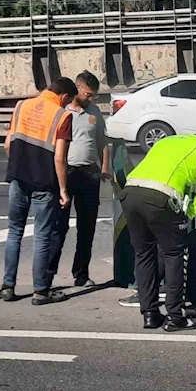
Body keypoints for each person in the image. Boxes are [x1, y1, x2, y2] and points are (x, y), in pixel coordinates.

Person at [119, 129, 196, 332]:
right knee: (174, 254)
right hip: (161, 197)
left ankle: (149, 314)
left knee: (144, 254)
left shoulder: (167, 141)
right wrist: (191, 211)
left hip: (130, 193)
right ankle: (176, 316)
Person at [0, 77, 77, 306]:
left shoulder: (22, 106)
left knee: (14, 232)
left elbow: (7, 144)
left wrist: (20, 166)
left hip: (18, 179)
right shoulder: (62, 116)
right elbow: (60, 157)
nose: (68, 106)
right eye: (68, 101)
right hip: (45, 184)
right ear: (64, 96)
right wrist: (63, 189)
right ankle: (40, 291)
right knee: (42, 236)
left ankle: (7, 287)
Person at [49, 71, 112, 288]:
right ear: (76, 89)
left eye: (94, 95)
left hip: (89, 173)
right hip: (67, 173)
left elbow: (103, 143)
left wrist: (104, 168)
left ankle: (81, 273)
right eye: (88, 94)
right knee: (59, 226)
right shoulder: (61, 110)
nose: (91, 99)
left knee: (87, 228)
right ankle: (47, 276)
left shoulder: (94, 112)